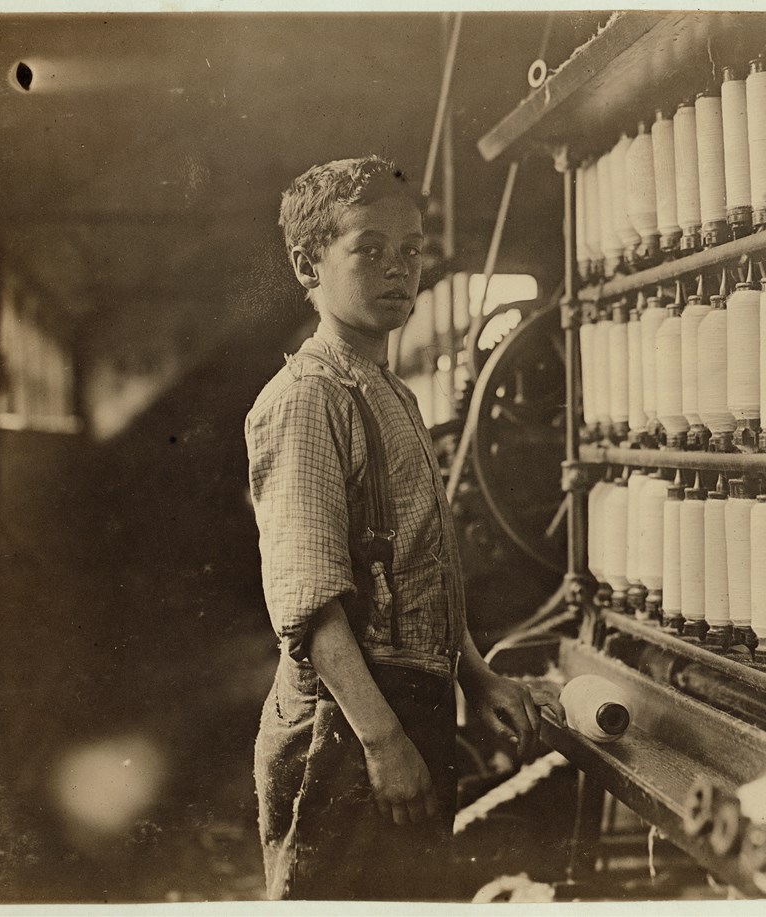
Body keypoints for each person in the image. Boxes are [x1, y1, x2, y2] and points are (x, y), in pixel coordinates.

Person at [246, 155, 540, 901]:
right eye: (369, 250)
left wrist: (477, 675)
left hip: (405, 705)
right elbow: (309, 604)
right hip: (341, 725)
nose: (398, 270)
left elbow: (417, 569)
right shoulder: (309, 397)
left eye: (410, 251)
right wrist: (381, 743)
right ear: (308, 263)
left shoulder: (390, 394)